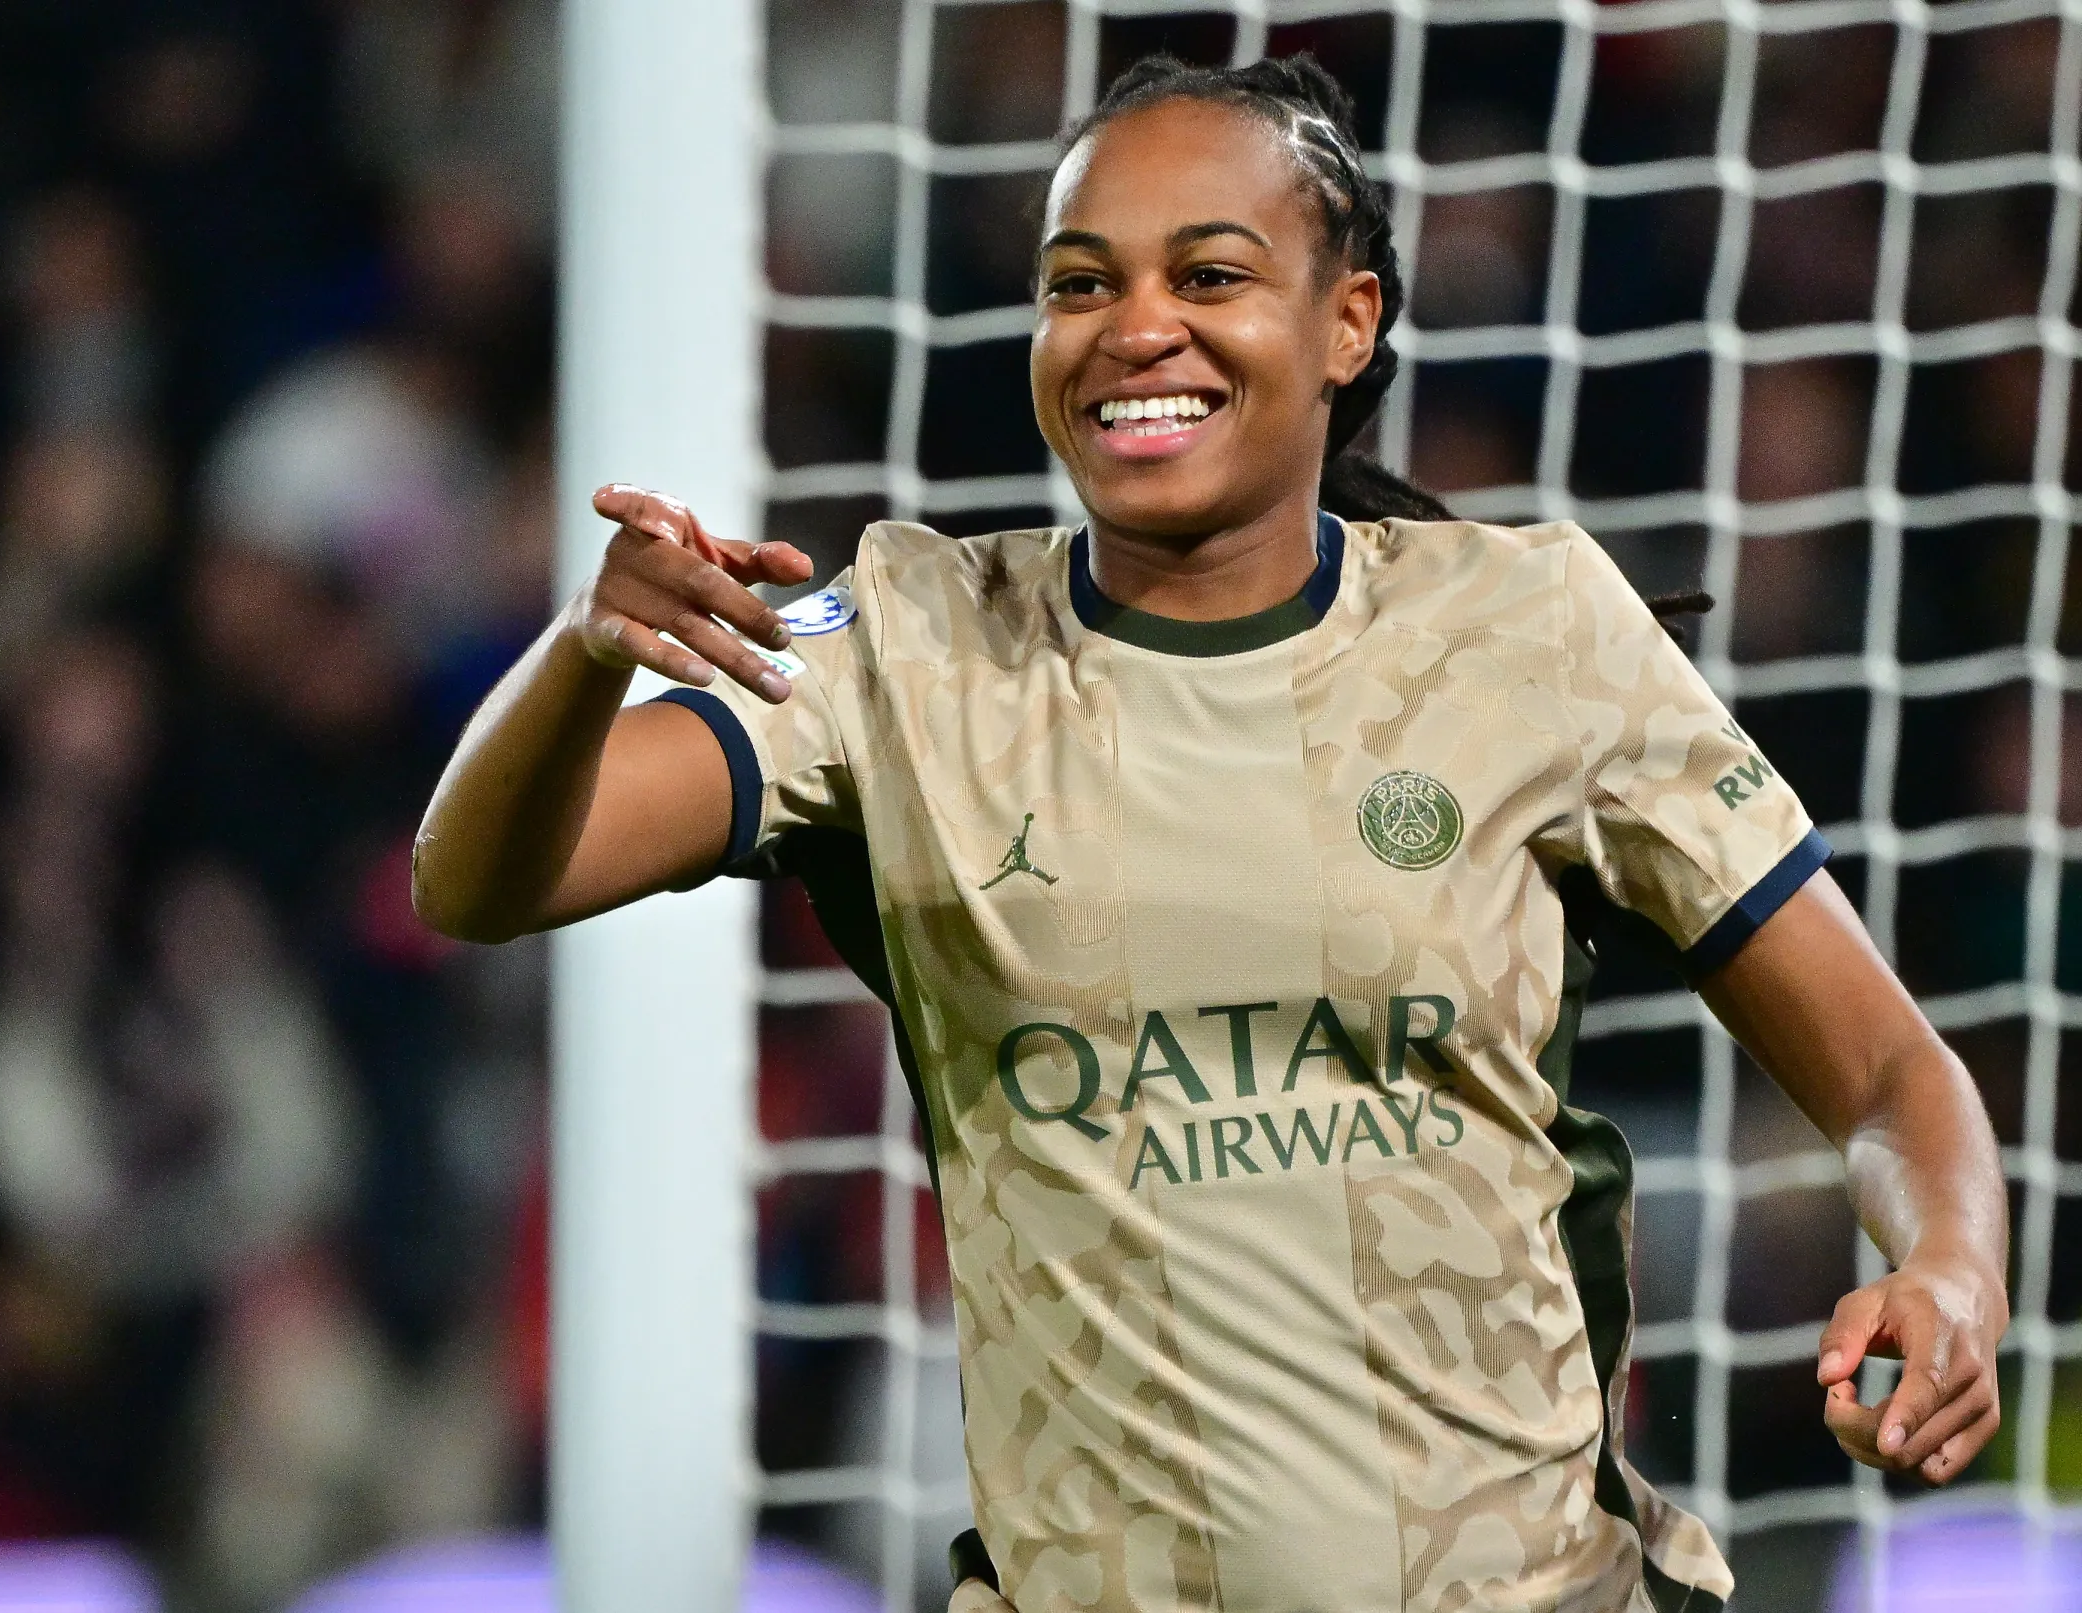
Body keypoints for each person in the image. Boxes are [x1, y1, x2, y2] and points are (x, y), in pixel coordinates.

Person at [411, 54, 2008, 1613]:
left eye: (1210, 274)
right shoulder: (904, 649)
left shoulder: (1531, 628)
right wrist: (584, 659)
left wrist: (1949, 1264)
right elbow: (480, 878)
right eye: (1081, 283)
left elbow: (1889, 1071)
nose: (1136, 327)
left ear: (1347, 321)